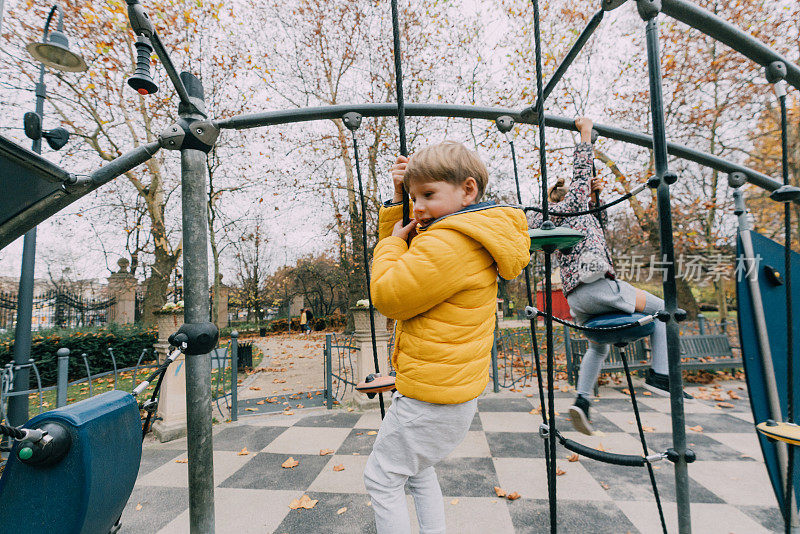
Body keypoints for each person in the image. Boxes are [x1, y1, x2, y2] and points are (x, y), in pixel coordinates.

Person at [364, 141, 530, 534]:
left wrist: (389, 243)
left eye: (429, 195)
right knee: (418, 471)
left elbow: (390, 296)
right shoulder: (470, 233)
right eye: (413, 196)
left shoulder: (451, 241)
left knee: (382, 477)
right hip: (447, 392)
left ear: (467, 190)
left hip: (430, 397)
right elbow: (417, 250)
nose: (418, 206)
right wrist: (398, 198)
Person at [528, 117, 691, 437]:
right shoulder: (573, 207)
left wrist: (598, 198)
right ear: (572, 196)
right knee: (666, 311)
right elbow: (580, 173)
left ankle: (583, 401)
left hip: (579, 300)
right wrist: (585, 134)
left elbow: (597, 224)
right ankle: (660, 376)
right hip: (602, 288)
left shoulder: (551, 221)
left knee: (598, 348)